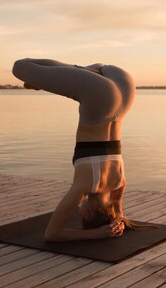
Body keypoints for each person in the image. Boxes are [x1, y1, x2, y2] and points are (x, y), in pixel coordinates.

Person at [12, 58, 136, 241]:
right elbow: (51, 235)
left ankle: (67, 77)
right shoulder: (84, 186)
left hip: (125, 92)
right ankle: (44, 81)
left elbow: (118, 211)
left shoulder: (118, 182)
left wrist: (117, 221)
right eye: (81, 214)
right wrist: (95, 234)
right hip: (100, 96)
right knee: (20, 66)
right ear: (87, 215)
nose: (78, 211)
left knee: (101, 67)